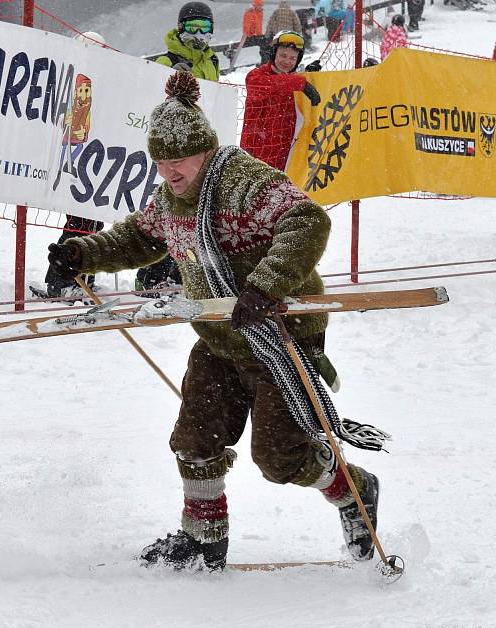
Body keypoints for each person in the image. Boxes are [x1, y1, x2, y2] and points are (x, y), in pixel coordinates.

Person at [46, 71, 379, 571]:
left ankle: (354, 491)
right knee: (195, 439)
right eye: (160, 163)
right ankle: (204, 540)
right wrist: (81, 252)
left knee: (281, 458)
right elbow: (137, 239)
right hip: (222, 339)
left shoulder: (244, 182)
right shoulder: (171, 199)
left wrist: (264, 285)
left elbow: (308, 221)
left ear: (203, 150)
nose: (168, 172)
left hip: (280, 338)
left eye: (177, 161)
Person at [144, 1, 222, 293]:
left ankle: (180, 273)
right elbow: (151, 101)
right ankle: (151, 275)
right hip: (173, 149)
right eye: (193, 27)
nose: (199, 34)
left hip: (199, 149)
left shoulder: (212, 62)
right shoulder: (166, 60)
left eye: (205, 28)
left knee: (195, 213)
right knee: (168, 209)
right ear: (181, 28)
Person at [43, 31, 106, 299]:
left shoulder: (100, 79)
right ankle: (60, 281)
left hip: (91, 156)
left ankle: (83, 275)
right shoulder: (69, 76)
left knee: (92, 222)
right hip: (72, 154)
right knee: (79, 222)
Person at [240, 30, 321, 172]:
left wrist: (309, 76)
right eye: (283, 55)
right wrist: (301, 83)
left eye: (292, 58)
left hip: (286, 156)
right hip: (256, 159)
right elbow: (270, 84)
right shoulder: (256, 76)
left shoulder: (292, 80)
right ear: (273, 54)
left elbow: (287, 82)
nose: (287, 62)